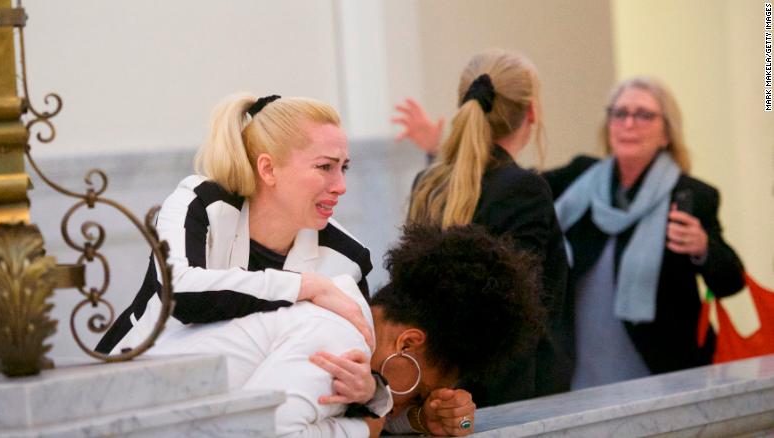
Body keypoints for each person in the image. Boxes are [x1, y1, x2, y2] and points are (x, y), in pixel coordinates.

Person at [96, 93, 389, 416]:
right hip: (121, 390)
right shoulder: (201, 203)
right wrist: (307, 286)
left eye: (344, 167)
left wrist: (369, 391)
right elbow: (179, 293)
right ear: (268, 169)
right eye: (325, 167)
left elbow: (355, 367)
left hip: (228, 414)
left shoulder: (347, 257)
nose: (341, 186)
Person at [149, 224, 545, 437]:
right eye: (421, 392)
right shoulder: (339, 338)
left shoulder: (351, 324)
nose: (410, 402)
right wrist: (364, 428)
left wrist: (425, 421)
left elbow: (357, 402)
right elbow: (259, 434)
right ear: (408, 343)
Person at [394, 49, 571, 406]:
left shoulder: (429, 184)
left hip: (441, 392)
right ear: (532, 112)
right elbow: (517, 315)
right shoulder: (522, 189)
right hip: (513, 399)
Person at [543, 76, 745, 388]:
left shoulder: (691, 195)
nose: (628, 123)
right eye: (619, 113)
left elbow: (731, 282)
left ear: (667, 133)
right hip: (580, 375)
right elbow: (520, 193)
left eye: (644, 115)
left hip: (664, 374)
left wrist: (703, 248)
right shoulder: (579, 180)